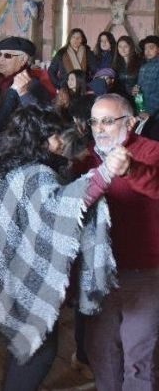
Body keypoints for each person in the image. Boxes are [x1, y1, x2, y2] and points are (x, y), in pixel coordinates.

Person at [0, 105, 126, 391]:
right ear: (42, 139)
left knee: (22, 347)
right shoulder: (37, 173)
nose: (60, 141)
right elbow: (59, 209)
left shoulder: (11, 163)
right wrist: (104, 174)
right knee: (38, 352)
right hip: (26, 276)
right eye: (55, 135)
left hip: (11, 271)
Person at [74, 94, 159, 391]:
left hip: (144, 269)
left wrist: (131, 171)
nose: (100, 128)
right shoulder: (86, 158)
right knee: (99, 347)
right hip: (99, 272)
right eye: (95, 121)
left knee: (139, 353)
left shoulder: (151, 151)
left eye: (108, 121)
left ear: (131, 123)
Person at [0, 37, 50, 192]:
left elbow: (43, 123)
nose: (0, 60)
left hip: (18, 158)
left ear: (23, 59)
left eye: (8, 56)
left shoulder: (33, 87)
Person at [136, 34, 159, 118]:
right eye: (145, 48)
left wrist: (150, 112)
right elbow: (138, 91)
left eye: (151, 48)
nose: (147, 51)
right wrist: (140, 109)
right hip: (143, 113)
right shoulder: (143, 67)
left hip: (155, 115)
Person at [113, 35, 141, 100]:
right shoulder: (116, 63)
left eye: (125, 46)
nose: (122, 49)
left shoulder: (139, 61)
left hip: (137, 96)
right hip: (121, 97)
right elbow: (116, 84)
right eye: (120, 47)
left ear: (131, 47)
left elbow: (143, 79)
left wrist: (137, 87)